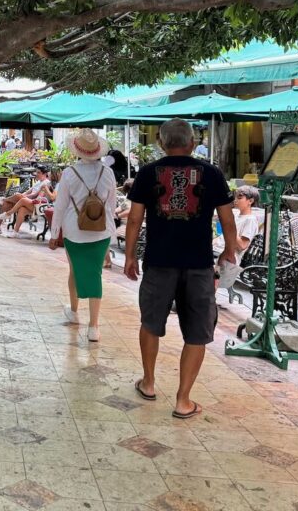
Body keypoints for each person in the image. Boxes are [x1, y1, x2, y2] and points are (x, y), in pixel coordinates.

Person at [125, 118, 236, 420]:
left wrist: (131, 255)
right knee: (197, 332)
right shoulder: (212, 174)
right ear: (191, 143)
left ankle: (148, 382)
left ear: (161, 143)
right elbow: (227, 218)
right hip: (199, 265)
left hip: (159, 262)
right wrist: (229, 248)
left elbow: (134, 219)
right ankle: (183, 400)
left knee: (151, 323)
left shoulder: (148, 173)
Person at [49, 133, 117, 341]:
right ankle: (94, 326)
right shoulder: (108, 173)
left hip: (73, 230)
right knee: (95, 273)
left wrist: (54, 234)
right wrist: (111, 232)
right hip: (101, 231)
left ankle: (74, 311)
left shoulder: (69, 173)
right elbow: (111, 205)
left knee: (74, 269)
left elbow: (59, 206)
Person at [214, 185, 261, 291]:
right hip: (218, 249)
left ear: (250, 201)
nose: (236, 200)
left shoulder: (250, 220)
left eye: (239, 198)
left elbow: (242, 245)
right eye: (235, 197)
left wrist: (230, 228)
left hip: (228, 255)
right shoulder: (236, 216)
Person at [0, 168, 54, 234]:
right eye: (36, 172)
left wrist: (22, 197)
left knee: (18, 198)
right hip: (27, 201)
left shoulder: (46, 183)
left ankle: (2, 199)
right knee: (7, 203)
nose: (36, 174)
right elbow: (28, 191)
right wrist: (21, 196)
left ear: (44, 174)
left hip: (36, 204)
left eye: (39, 172)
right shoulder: (38, 182)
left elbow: (35, 196)